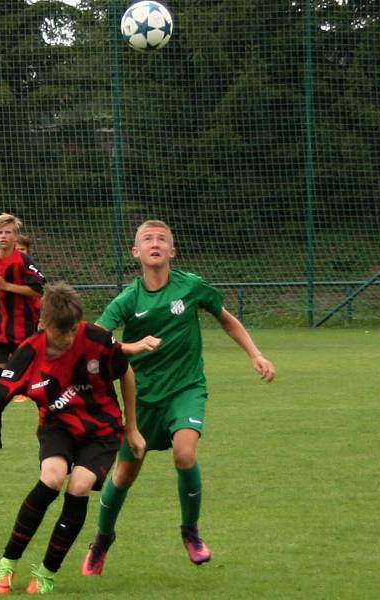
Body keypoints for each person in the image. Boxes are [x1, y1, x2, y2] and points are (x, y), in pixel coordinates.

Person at [81, 219, 276, 575]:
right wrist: (132, 346)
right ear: (135, 252)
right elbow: (93, 341)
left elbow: (226, 319)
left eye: (162, 239)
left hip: (186, 388)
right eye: (147, 239)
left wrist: (255, 354)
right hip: (142, 398)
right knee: (123, 475)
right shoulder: (128, 299)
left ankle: (191, 531)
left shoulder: (192, 287)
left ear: (173, 251)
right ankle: (102, 540)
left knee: (185, 454)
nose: (155, 243)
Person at [0, 282, 146, 595]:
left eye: (71, 330)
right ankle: (6, 566)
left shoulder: (98, 339)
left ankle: (47, 572)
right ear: (42, 323)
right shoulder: (27, 355)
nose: (66, 338)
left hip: (102, 430)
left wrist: (132, 428)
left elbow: (126, 373)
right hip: (57, 427)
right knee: (51, 478)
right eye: (59, 332)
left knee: (78, 486)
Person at [0, 213, 45, 448]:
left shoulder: (24, 261)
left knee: (36, 383)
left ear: (15, 237)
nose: (3, 236)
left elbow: (38, 290)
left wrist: (7, 286)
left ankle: (50, 427)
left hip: (24, 332)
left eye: (8, 232)